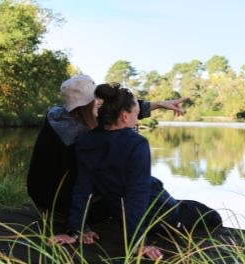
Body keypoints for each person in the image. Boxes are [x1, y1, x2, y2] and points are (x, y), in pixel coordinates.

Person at [52, 84, 221, 261]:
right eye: (135, 114)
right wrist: (138, 243)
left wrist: (75, 229)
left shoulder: (85, 141)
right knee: (212, 216)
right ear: (125, 116)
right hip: (163, 217)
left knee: (186, 204)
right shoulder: (136, 144)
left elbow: (83, 188)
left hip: (139, 211)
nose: (137, 119)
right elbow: (136, 194)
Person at [26, 74, 187, 217]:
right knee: (143, 189)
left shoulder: (64, 113)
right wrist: (80, 227)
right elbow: (78, 182)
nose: (101, 103)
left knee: (146, 187)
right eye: (96, 100)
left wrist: (161, 104)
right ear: (86, 105)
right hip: (56, 199)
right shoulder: (73, 137)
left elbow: (121, 109)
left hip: (49, 193)